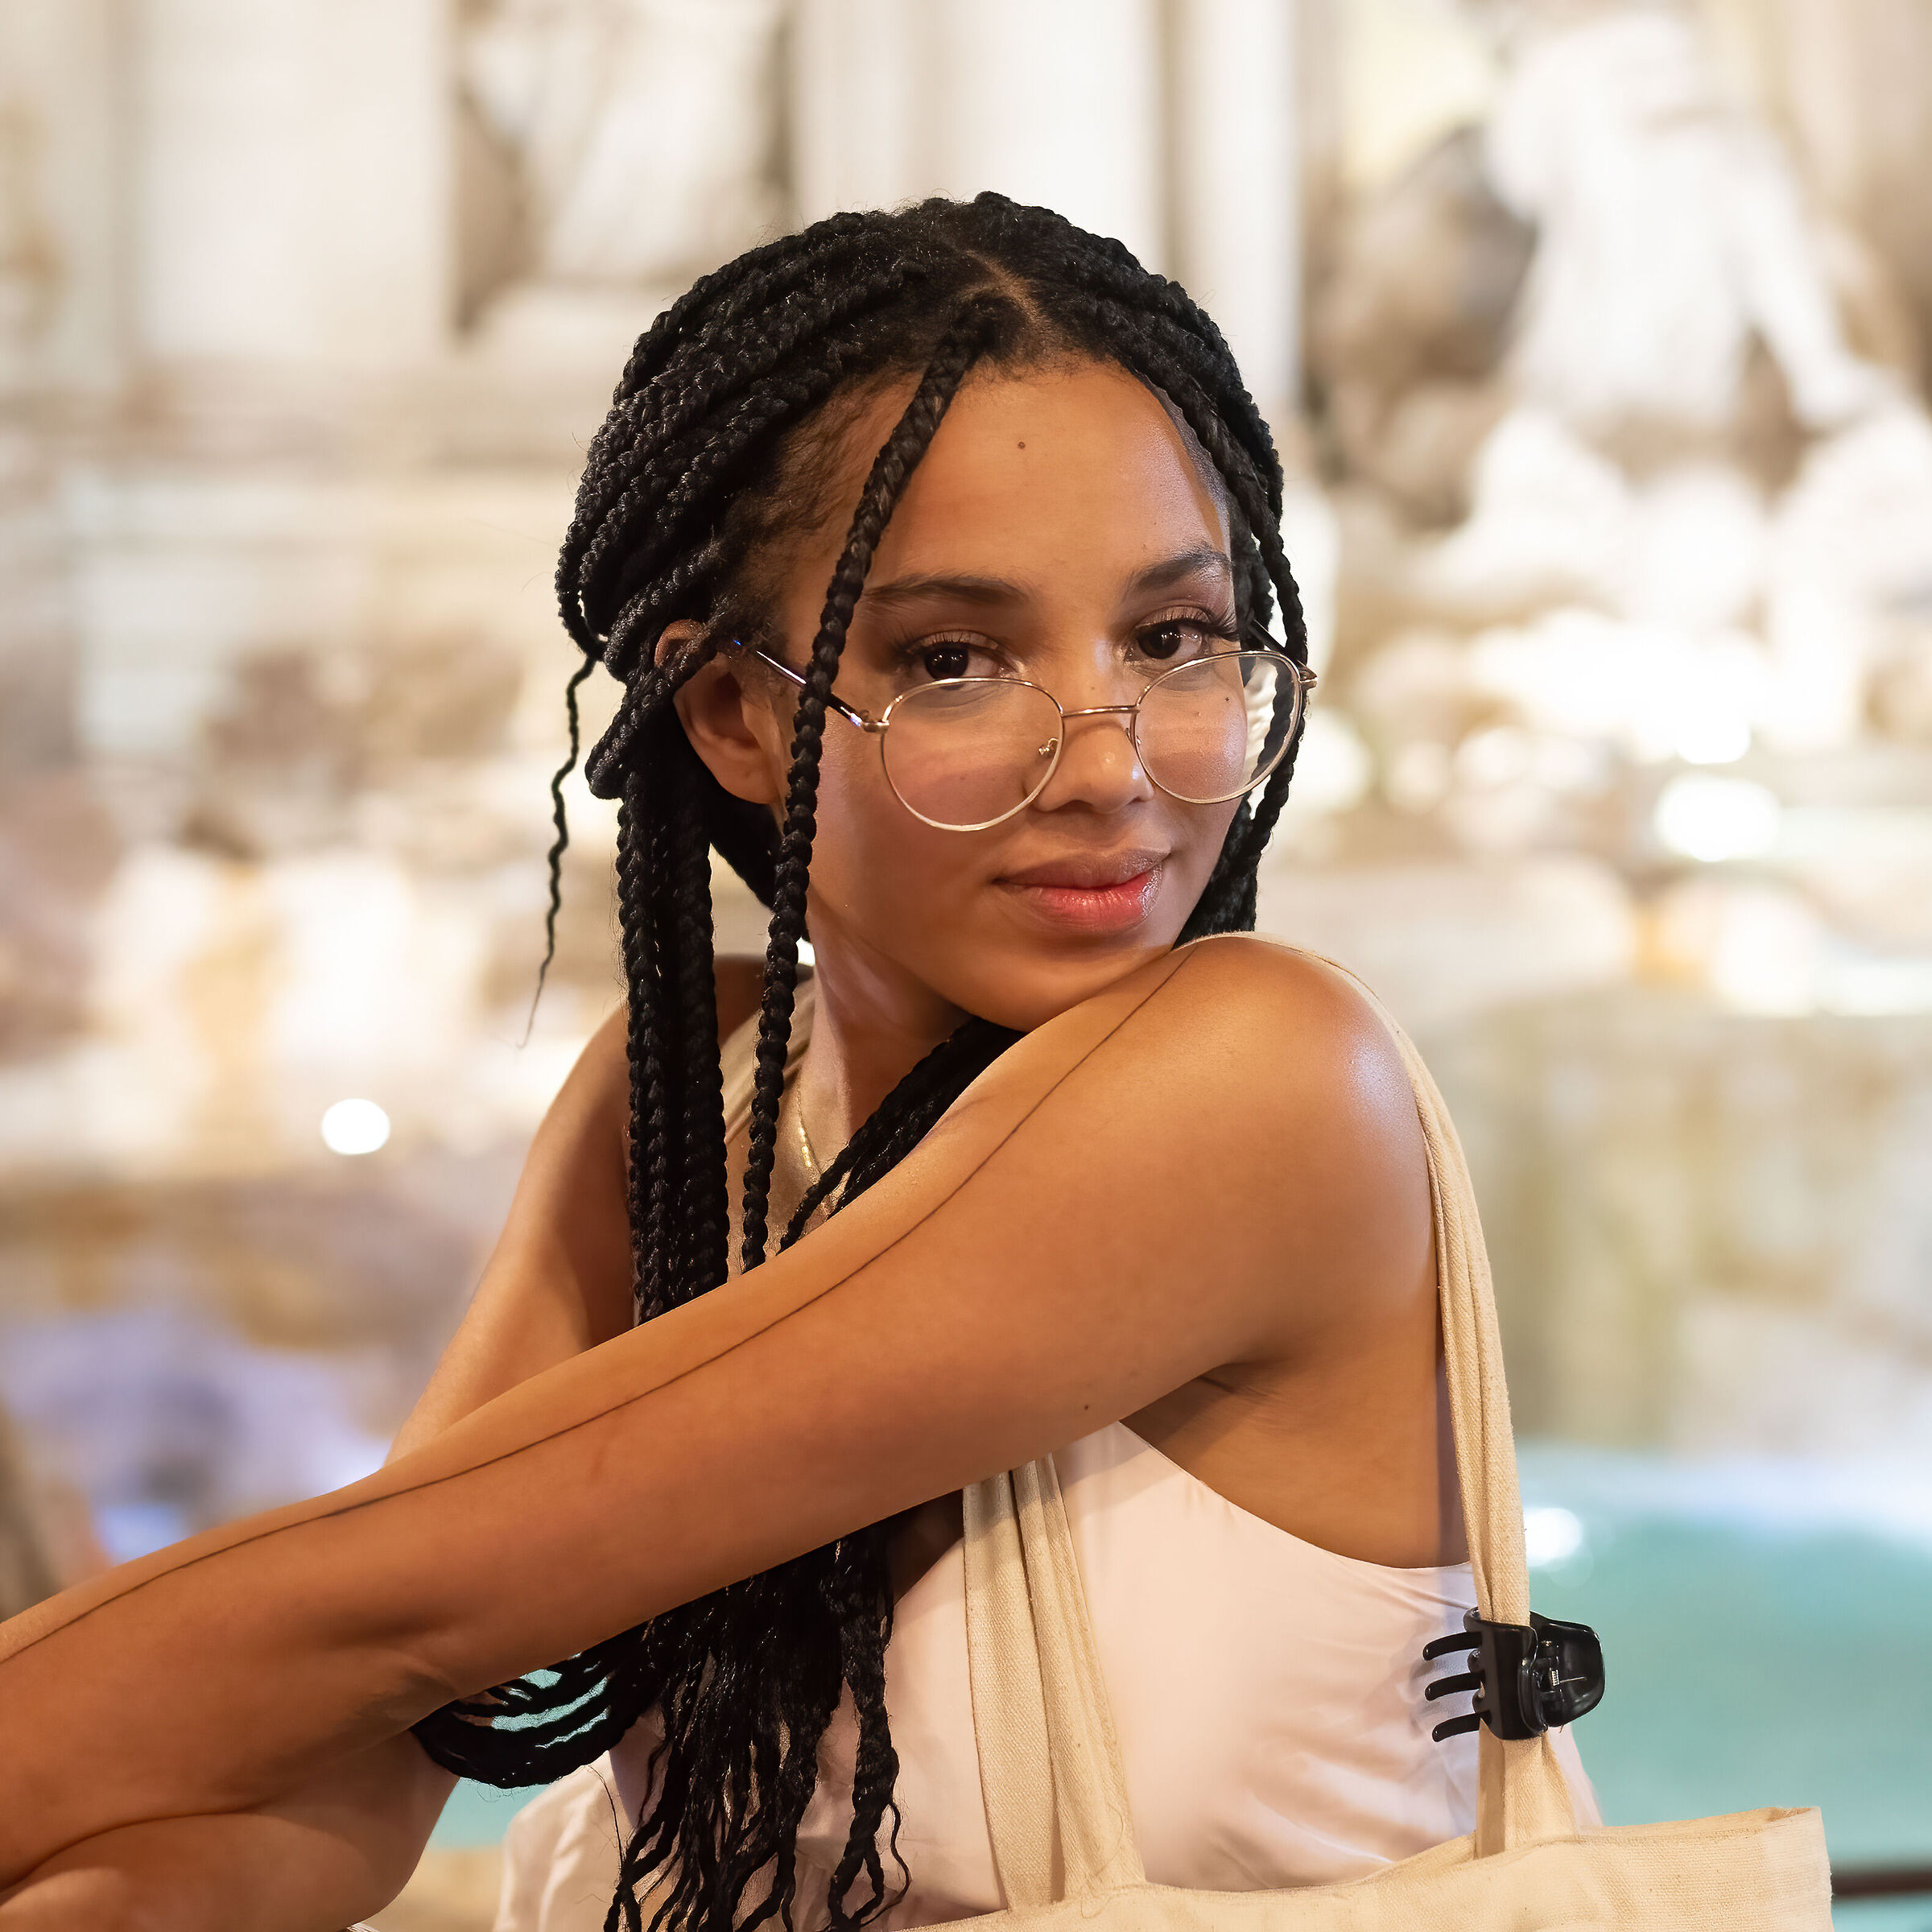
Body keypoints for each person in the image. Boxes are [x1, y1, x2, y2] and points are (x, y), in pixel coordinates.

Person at [0, 195, 1591, 1932]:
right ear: (730, 714)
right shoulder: (697, 1101)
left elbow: (382, 1610)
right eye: (958, 660)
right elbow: (354, 1747)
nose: (1109, 765)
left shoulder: (1265, 1080)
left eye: (1173, 638)